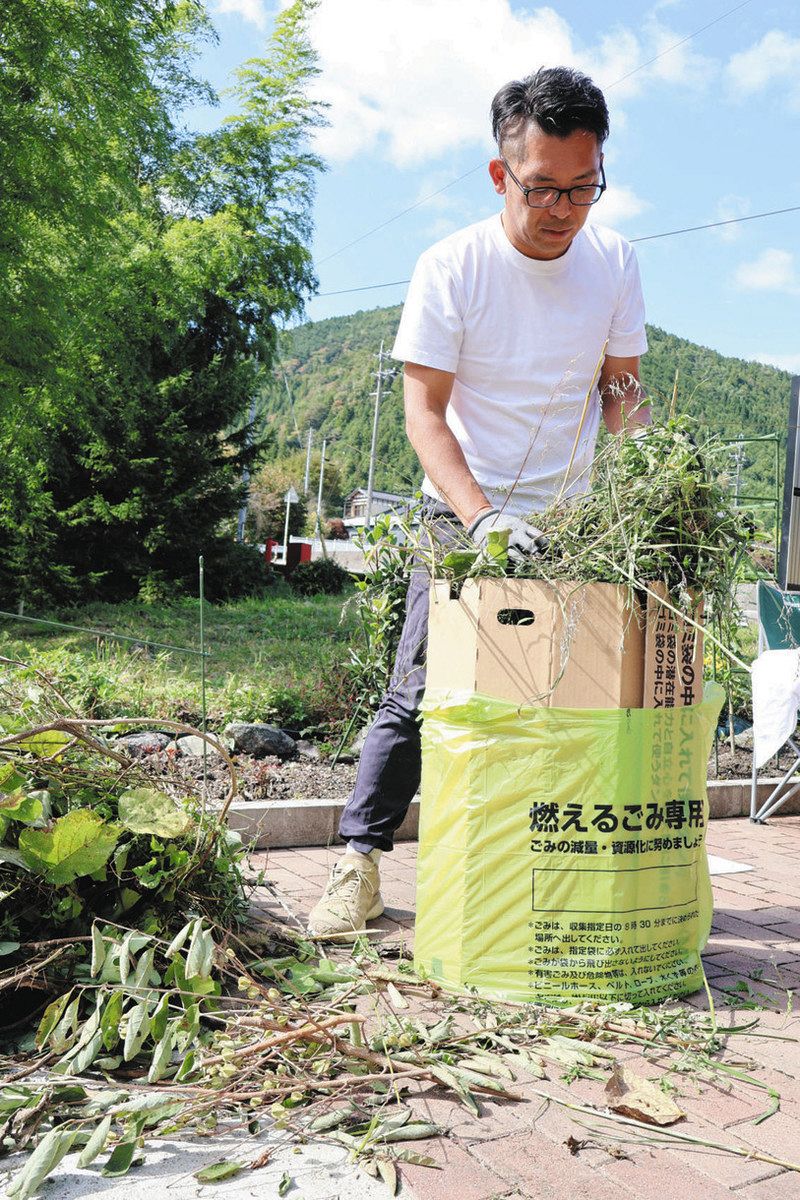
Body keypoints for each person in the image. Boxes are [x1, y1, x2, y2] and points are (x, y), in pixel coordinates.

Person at [307, 65, 651, 939]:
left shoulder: (614, 263)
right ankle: (359, 865)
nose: (564, 210)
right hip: (459, 513)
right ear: (502, 175)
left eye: (584, 188)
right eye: (543, 189)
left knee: (569, 701)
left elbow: (621, 393)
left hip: (571, 521)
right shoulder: (451, 267)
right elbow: (424, 416)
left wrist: (647, 472)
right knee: (422, 689)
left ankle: (536, 873)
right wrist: (484, 517)